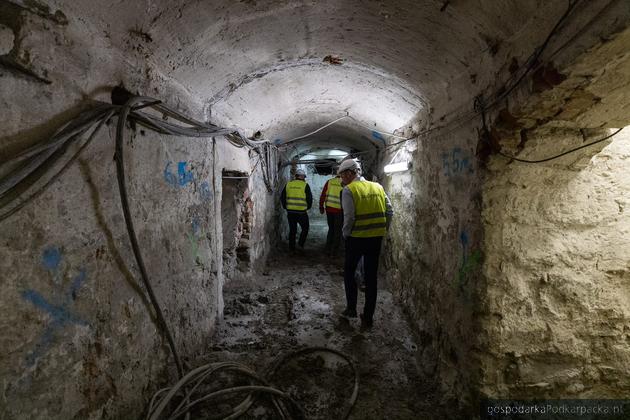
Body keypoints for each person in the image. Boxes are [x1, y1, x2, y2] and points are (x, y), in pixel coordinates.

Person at [338, 159, 393, 329]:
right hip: (375, 239)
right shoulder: (377, 187)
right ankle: (368, 317)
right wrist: (383, 229)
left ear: (349, 173)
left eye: (342, 175)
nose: (341, 179)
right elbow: (389, 210)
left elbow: (349, 217)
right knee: (371, 278)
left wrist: (345, 235)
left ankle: (351, 308)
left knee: (349, 272)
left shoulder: (349, 190)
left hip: (356, 238)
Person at [280, 168, 312, 251]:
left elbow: (282, 197)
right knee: (305, 228)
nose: (304, 178)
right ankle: (300, 245)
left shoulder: (288, 184)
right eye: (304, 177)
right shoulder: (305, 185)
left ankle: (292, 248)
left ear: (296, 176)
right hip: (301, 212)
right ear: (302, 176)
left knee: (292, 230)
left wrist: (285, 207)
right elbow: (309, 198)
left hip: (290, 212)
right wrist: (307, 207)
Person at [319, 166, 344, 256]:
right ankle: (335, 251)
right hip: (339, 210)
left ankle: (328, 248)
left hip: (329, 209)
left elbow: (323, 195)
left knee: (331, 229)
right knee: (338, 230)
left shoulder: (330, 182)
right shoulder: (345, 183)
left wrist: (321, 206)